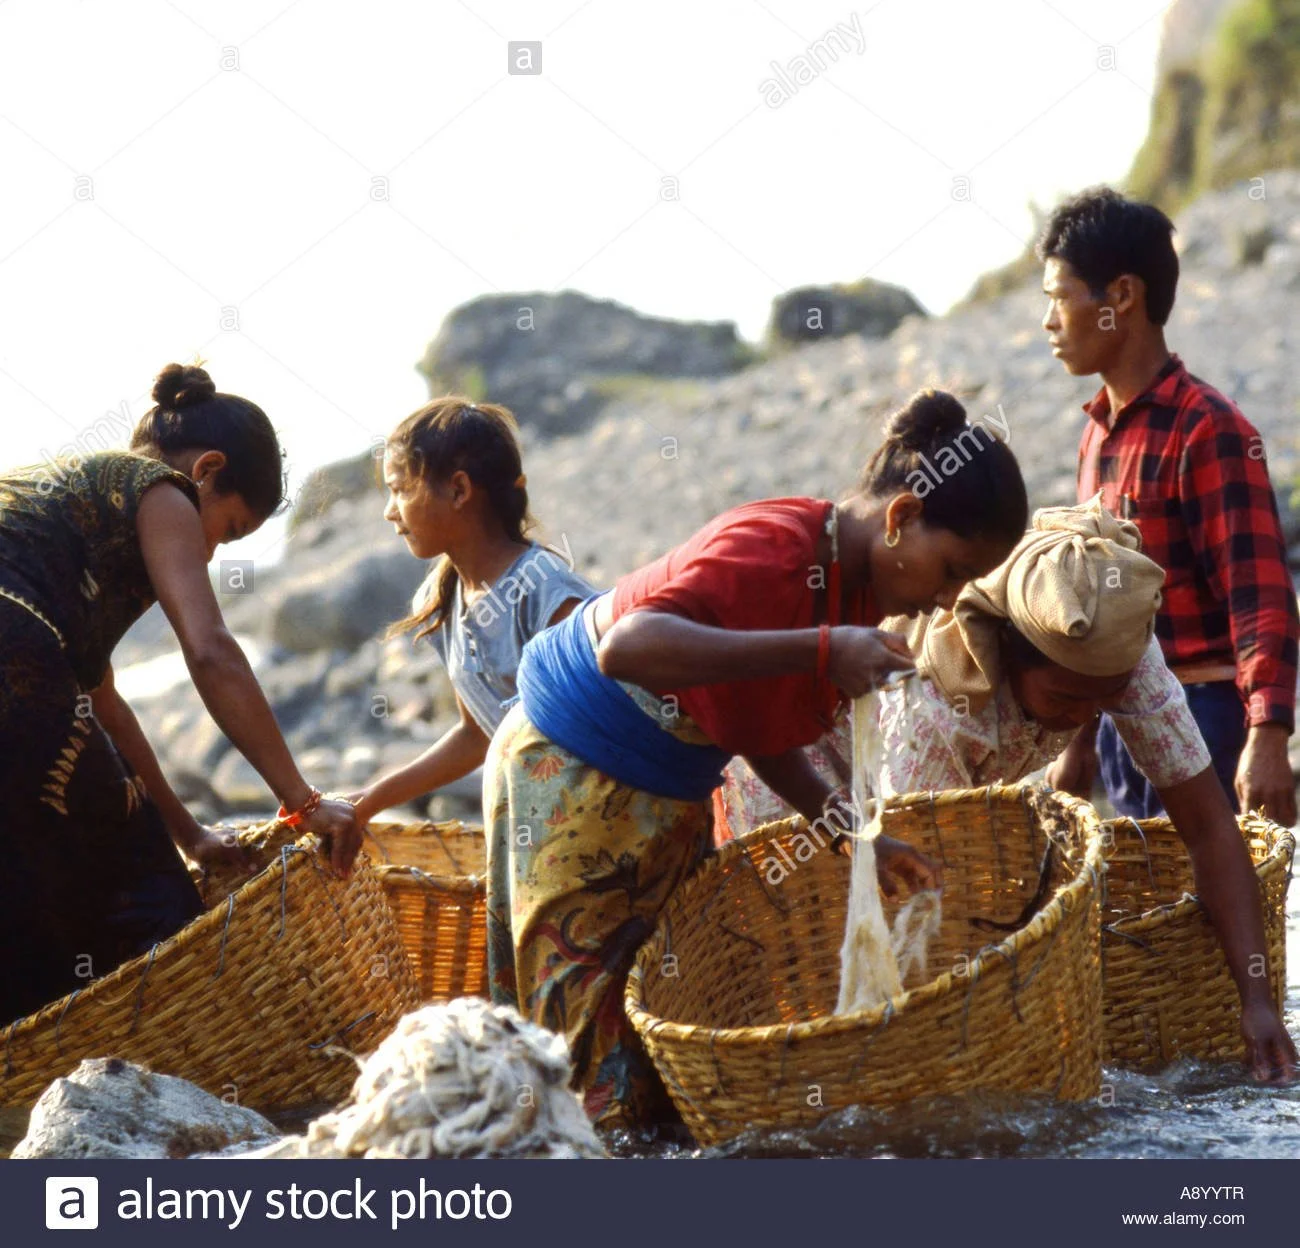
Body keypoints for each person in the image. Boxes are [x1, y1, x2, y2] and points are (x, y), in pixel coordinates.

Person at [482, 389, 1029, 1128]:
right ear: (901, 517)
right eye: (950, 570)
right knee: (586, 1056)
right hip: (574, 772)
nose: (945, 599)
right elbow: (627, 648)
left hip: (660, 788)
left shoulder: (852, 587)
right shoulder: (776, 548)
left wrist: (859, 836)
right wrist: (824, 650)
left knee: (657, 1031)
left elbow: (756, 729)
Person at [0, 364, 361, 1026]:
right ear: (207, 471)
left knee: (28, 891)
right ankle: (190, 1043)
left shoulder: (74, 519)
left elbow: (104, 708)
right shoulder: (163, 493)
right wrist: (302, 801)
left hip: (23, 660)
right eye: (230, 529)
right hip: (11, 651)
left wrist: (188, 833)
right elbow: (210, 650)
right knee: (144, 891)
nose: (213, 553)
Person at [1038, 187, 1299, 826]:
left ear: (1122, 297)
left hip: (1203, 717)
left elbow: (1259, 595)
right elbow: (1098, 613)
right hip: (1123, 723)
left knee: (1212, 884)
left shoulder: (1207, 428)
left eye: (1059, 297)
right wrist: (1078, 741)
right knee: (1144, 892)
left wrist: (1268, 737)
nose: (1048, 321)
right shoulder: (1097, 434)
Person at [348, 398, 592, 825]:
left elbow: (602, 720)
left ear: (458, 490)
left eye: (400, 489)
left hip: (593, 822)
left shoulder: (543, 591)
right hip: (536, 824)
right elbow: (476, 734)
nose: (390, 511)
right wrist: (367, 801)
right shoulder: (441, 600)